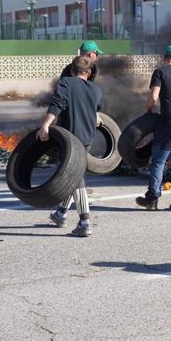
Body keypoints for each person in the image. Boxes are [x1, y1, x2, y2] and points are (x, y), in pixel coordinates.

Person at [37, 56, 103, 237]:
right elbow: (96, 109)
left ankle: (85, 222)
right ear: (89, 72)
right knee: (73, 176)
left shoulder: (66, 83)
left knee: (76, 178)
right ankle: (61, 214)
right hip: (88, 138)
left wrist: (46, 125)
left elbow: (57, 104)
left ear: (71, 70)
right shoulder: (96, 90)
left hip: (70, 139)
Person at [135, 44, 171, 211]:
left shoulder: (160, 72)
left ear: (164, 57)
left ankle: (152, 199)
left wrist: (148, 111)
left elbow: (153, 97)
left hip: (170, 122)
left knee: (159, 161)